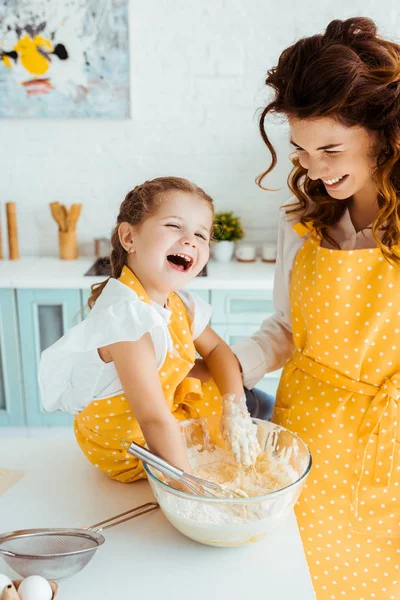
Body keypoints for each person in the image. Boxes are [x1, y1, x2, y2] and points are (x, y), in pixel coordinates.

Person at [232, 16, 400, 600]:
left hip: (390, 451)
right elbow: (286, 329)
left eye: (331, 148)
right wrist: (233, 364)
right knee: (297, 578)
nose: (313, 167)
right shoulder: (301, 223)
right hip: (301, 444)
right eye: (300, 149)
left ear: (381, 133)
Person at [39, 176, 271, 483]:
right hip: (131, 448)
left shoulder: (180, 304)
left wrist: (235, 408)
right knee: (248, 406)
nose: (190, 240)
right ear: (129, 237)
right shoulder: (125, 318)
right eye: (174, 226)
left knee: (253, 399)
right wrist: (191, 488)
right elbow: (153, 419)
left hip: (161, 415)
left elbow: (217, 351)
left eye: (201, 235)